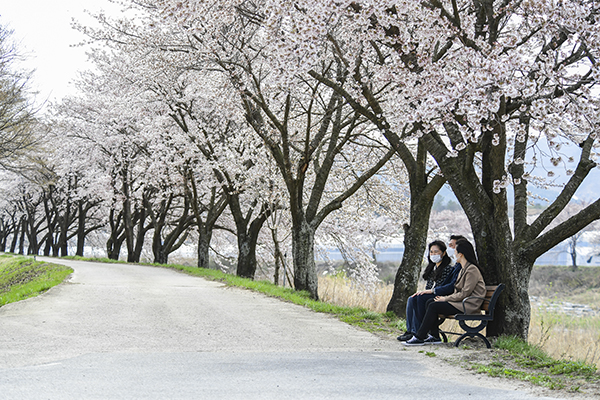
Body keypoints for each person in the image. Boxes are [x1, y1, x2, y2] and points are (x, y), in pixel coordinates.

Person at [404, 239, 486, 346]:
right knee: (430, 302)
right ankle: (434, 336)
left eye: (455, 251)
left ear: (461, 254)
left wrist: (445, 299)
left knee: (433, 306)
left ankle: (420, 336)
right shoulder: (463, 269)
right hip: (461, 302)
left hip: (468, 304)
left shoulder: (472, 270)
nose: (453, 254)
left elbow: (465, 293)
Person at [397, 240, 456, 342]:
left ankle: (418, 331)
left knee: (420, 299)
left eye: (436, 252)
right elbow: (428, 287)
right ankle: (410, 330)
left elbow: (443, 288)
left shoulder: (447, 269)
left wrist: (428, 292)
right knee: (412, 298)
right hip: (431, 295)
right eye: (431, 252)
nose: (433, 254)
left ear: (444, 253)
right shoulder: (432, 268)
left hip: (440, 296)